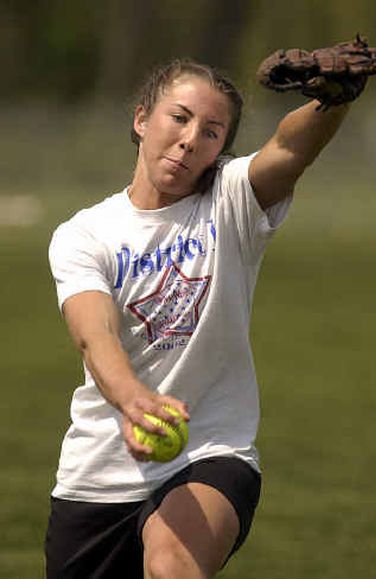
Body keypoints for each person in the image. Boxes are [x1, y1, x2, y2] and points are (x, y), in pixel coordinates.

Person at [45, 59, 350, 578]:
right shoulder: (84, 235)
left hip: (209, 450)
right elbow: (93, 334)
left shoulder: (230, 199)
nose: (190, 140)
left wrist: (334, 101)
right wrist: (134, 401)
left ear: (221, 149)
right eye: (179, 118)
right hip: (98, 472)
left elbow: (290, 149)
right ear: (142, 119)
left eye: (211, 132)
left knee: (172, 566)